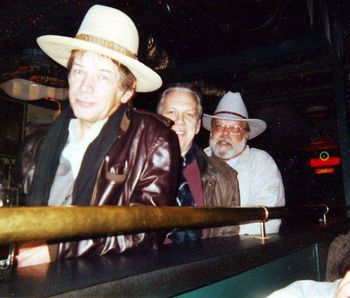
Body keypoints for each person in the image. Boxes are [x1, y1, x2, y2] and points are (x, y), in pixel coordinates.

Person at [16, 5, 180, 266]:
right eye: (79, 71)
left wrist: (59, 252)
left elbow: (146, 232)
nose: (85, 87)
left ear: (126, 91)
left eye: (103, 76)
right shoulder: (36, 143)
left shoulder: (154, 140)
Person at [157, 84, 240, 243]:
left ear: (197, 126)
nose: (179, 121)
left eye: (189, 114)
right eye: (171, 112)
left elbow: (227, 240)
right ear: (157, 120)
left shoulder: (226, 176)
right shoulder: (134, 168)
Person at [203, 91, 285, 235]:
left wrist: (217, 232)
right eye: (219, 126)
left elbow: (269, 220)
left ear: (246, 135)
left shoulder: (260, 162)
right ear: (211, 132)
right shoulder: (197, 161)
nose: (225, 133)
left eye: (234, 128)